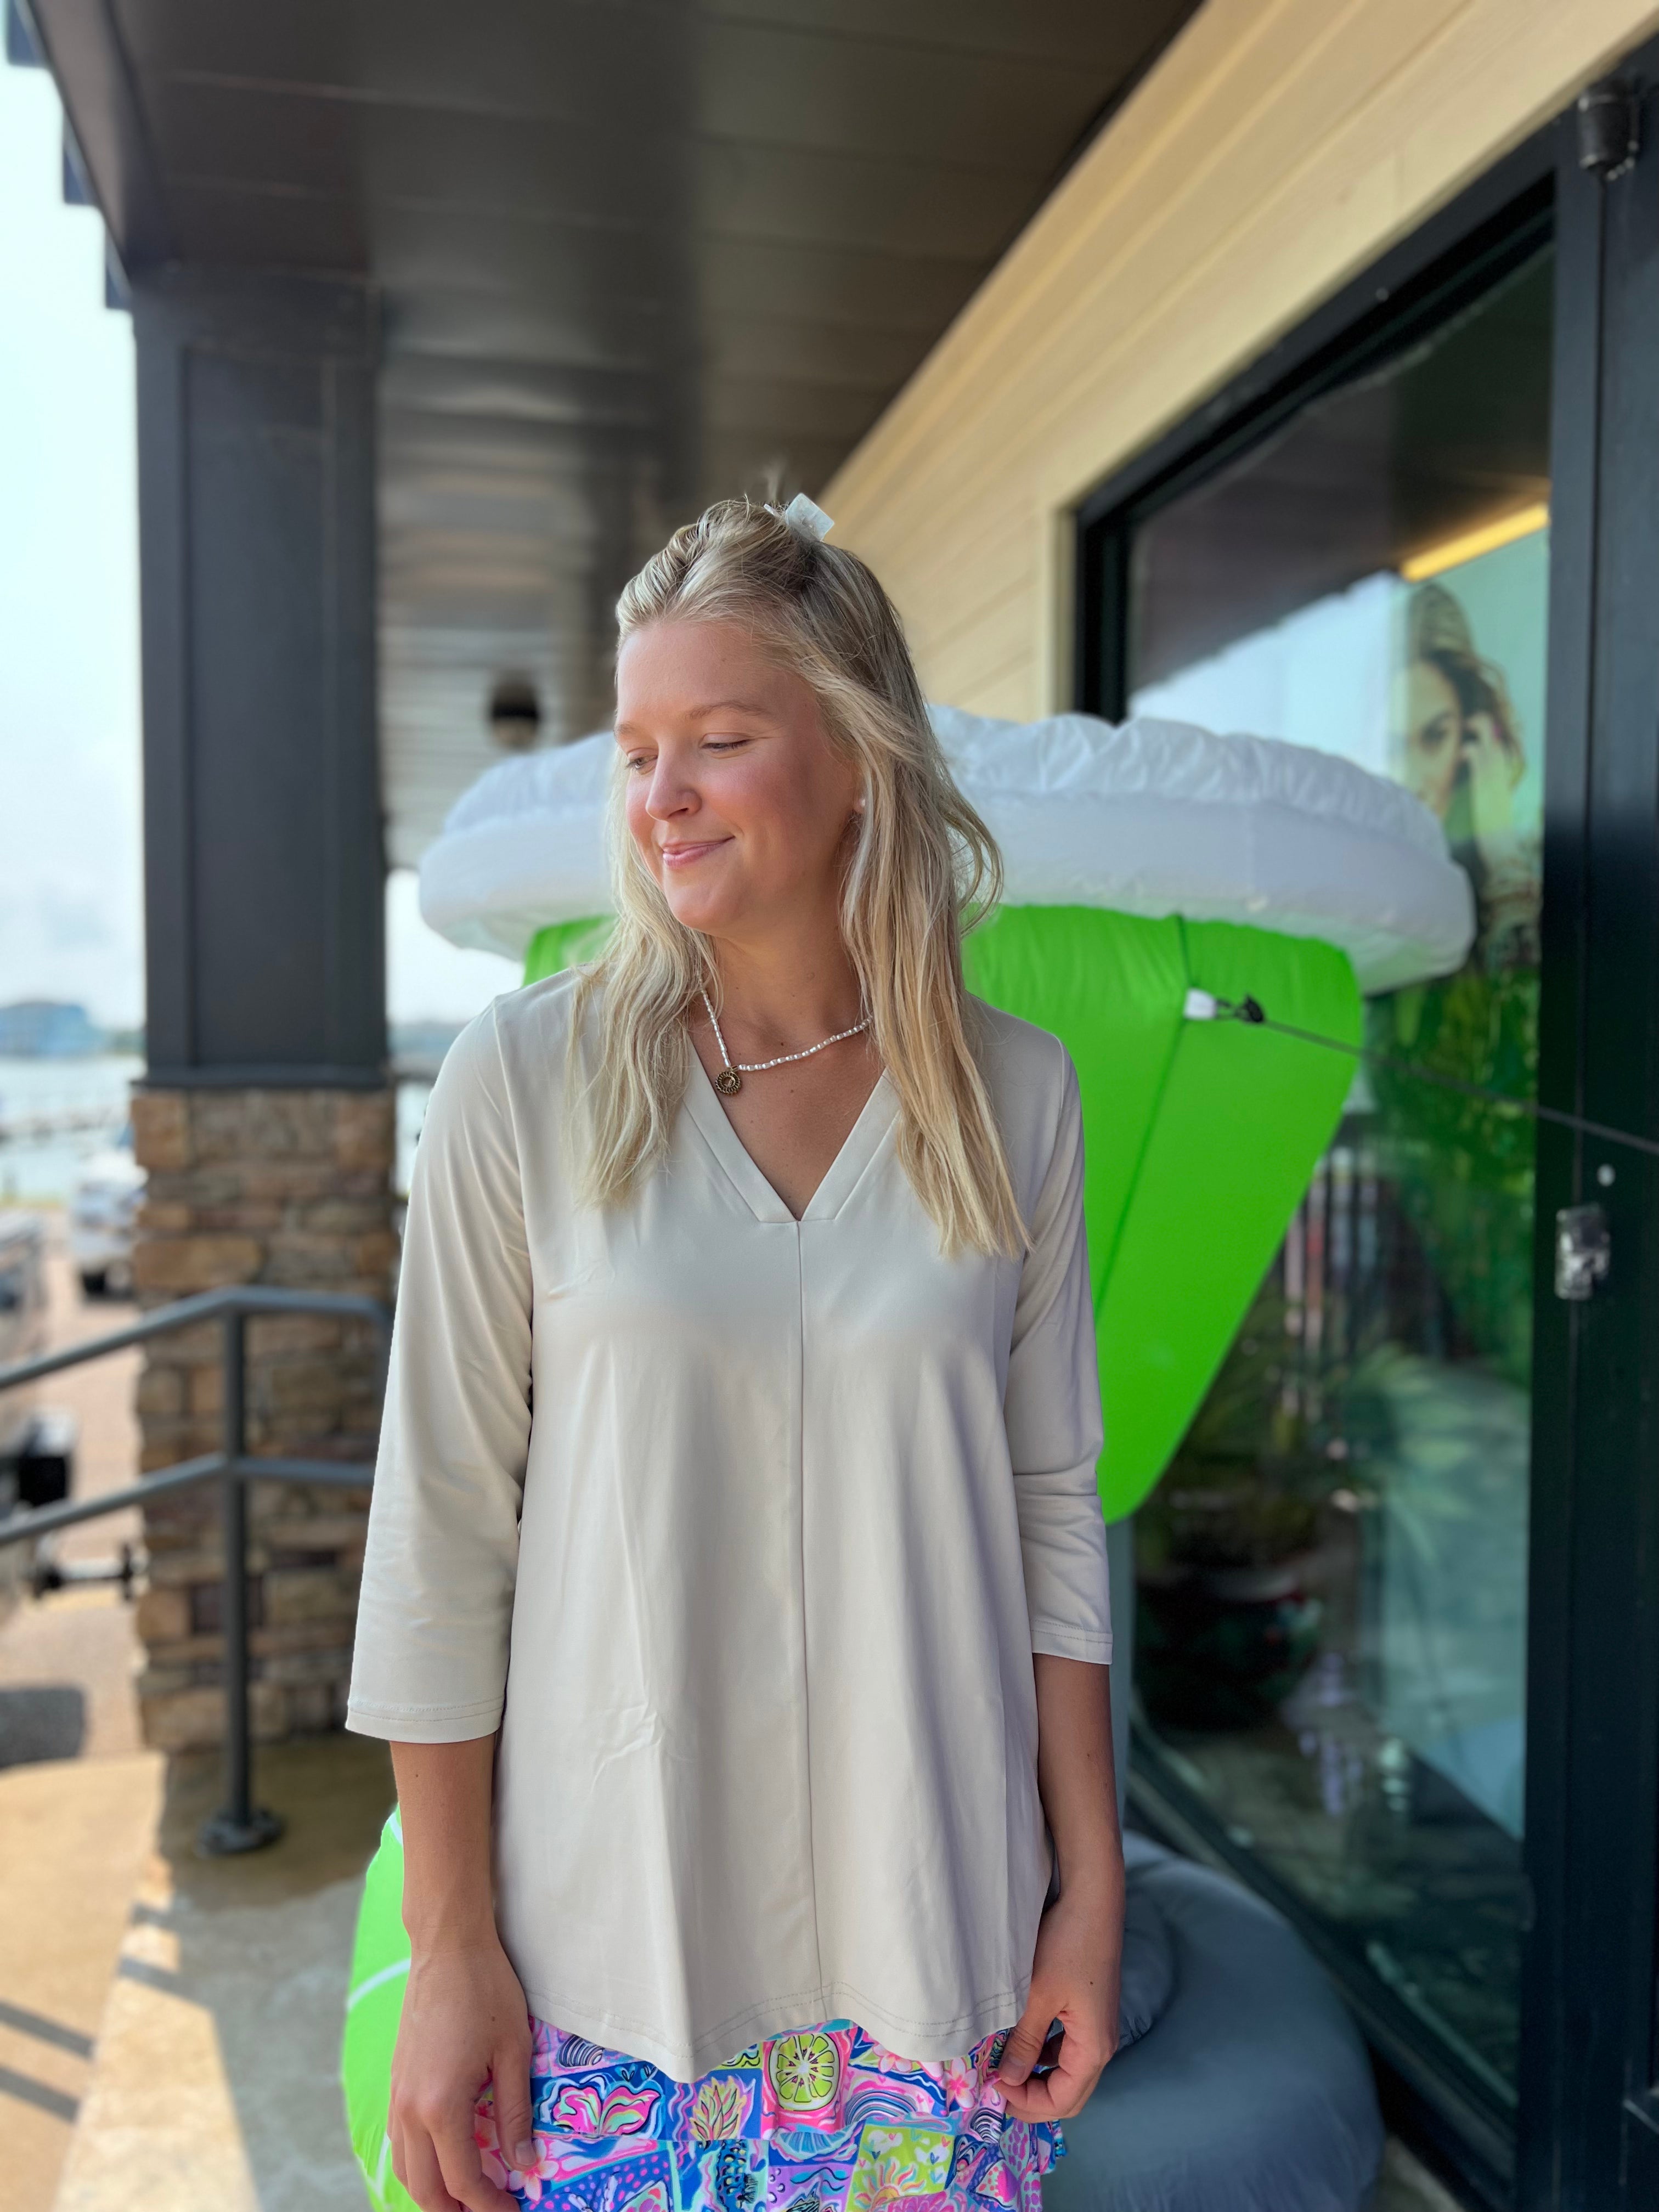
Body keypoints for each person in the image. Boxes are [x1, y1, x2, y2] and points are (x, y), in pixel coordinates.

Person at [346, 496, 1125, 2212]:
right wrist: (450, 1944)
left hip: (940, 1959)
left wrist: (1092, 1892)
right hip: (614, 1980)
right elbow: (441, 1537)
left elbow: (1053, 1511)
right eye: (636, 753)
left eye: (718, 740)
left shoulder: (1015, 1093)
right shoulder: (522, 1084)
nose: (661, 797)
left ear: (856, 760)